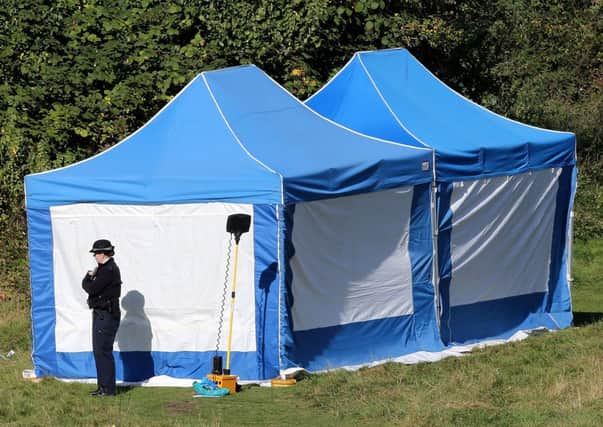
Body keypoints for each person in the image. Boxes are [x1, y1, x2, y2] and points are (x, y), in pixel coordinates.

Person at [82, 239, 122, 397]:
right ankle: (103, 387)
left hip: (105, 315)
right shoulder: (105, 268)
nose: (95, 256)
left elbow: (91, 288)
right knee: (100, 351)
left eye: (96, 253)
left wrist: (87, 278)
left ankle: (107, 389)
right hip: (102, 314)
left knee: (103, 351)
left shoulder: (107, 270)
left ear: (103, 253)